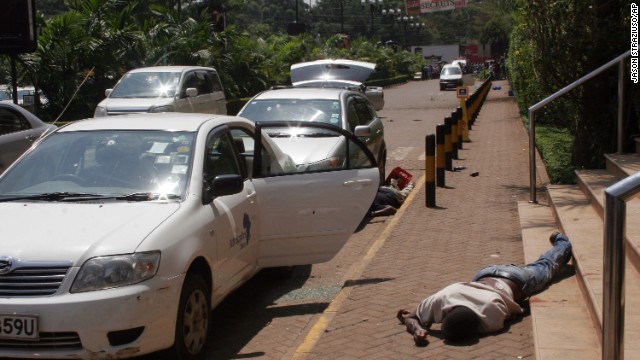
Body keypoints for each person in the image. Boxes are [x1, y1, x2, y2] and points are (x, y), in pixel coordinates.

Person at [397, 232, 572, 346]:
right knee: (541, 265)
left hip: (516, 280)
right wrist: (415, 325)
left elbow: (520, 310)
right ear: (449, 311)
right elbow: (410, 317)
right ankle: (559, 240)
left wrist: (416, 329)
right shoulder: (444, 297)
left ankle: (563, 242)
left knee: (547, 266)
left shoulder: (491, 318)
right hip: (485, 273)